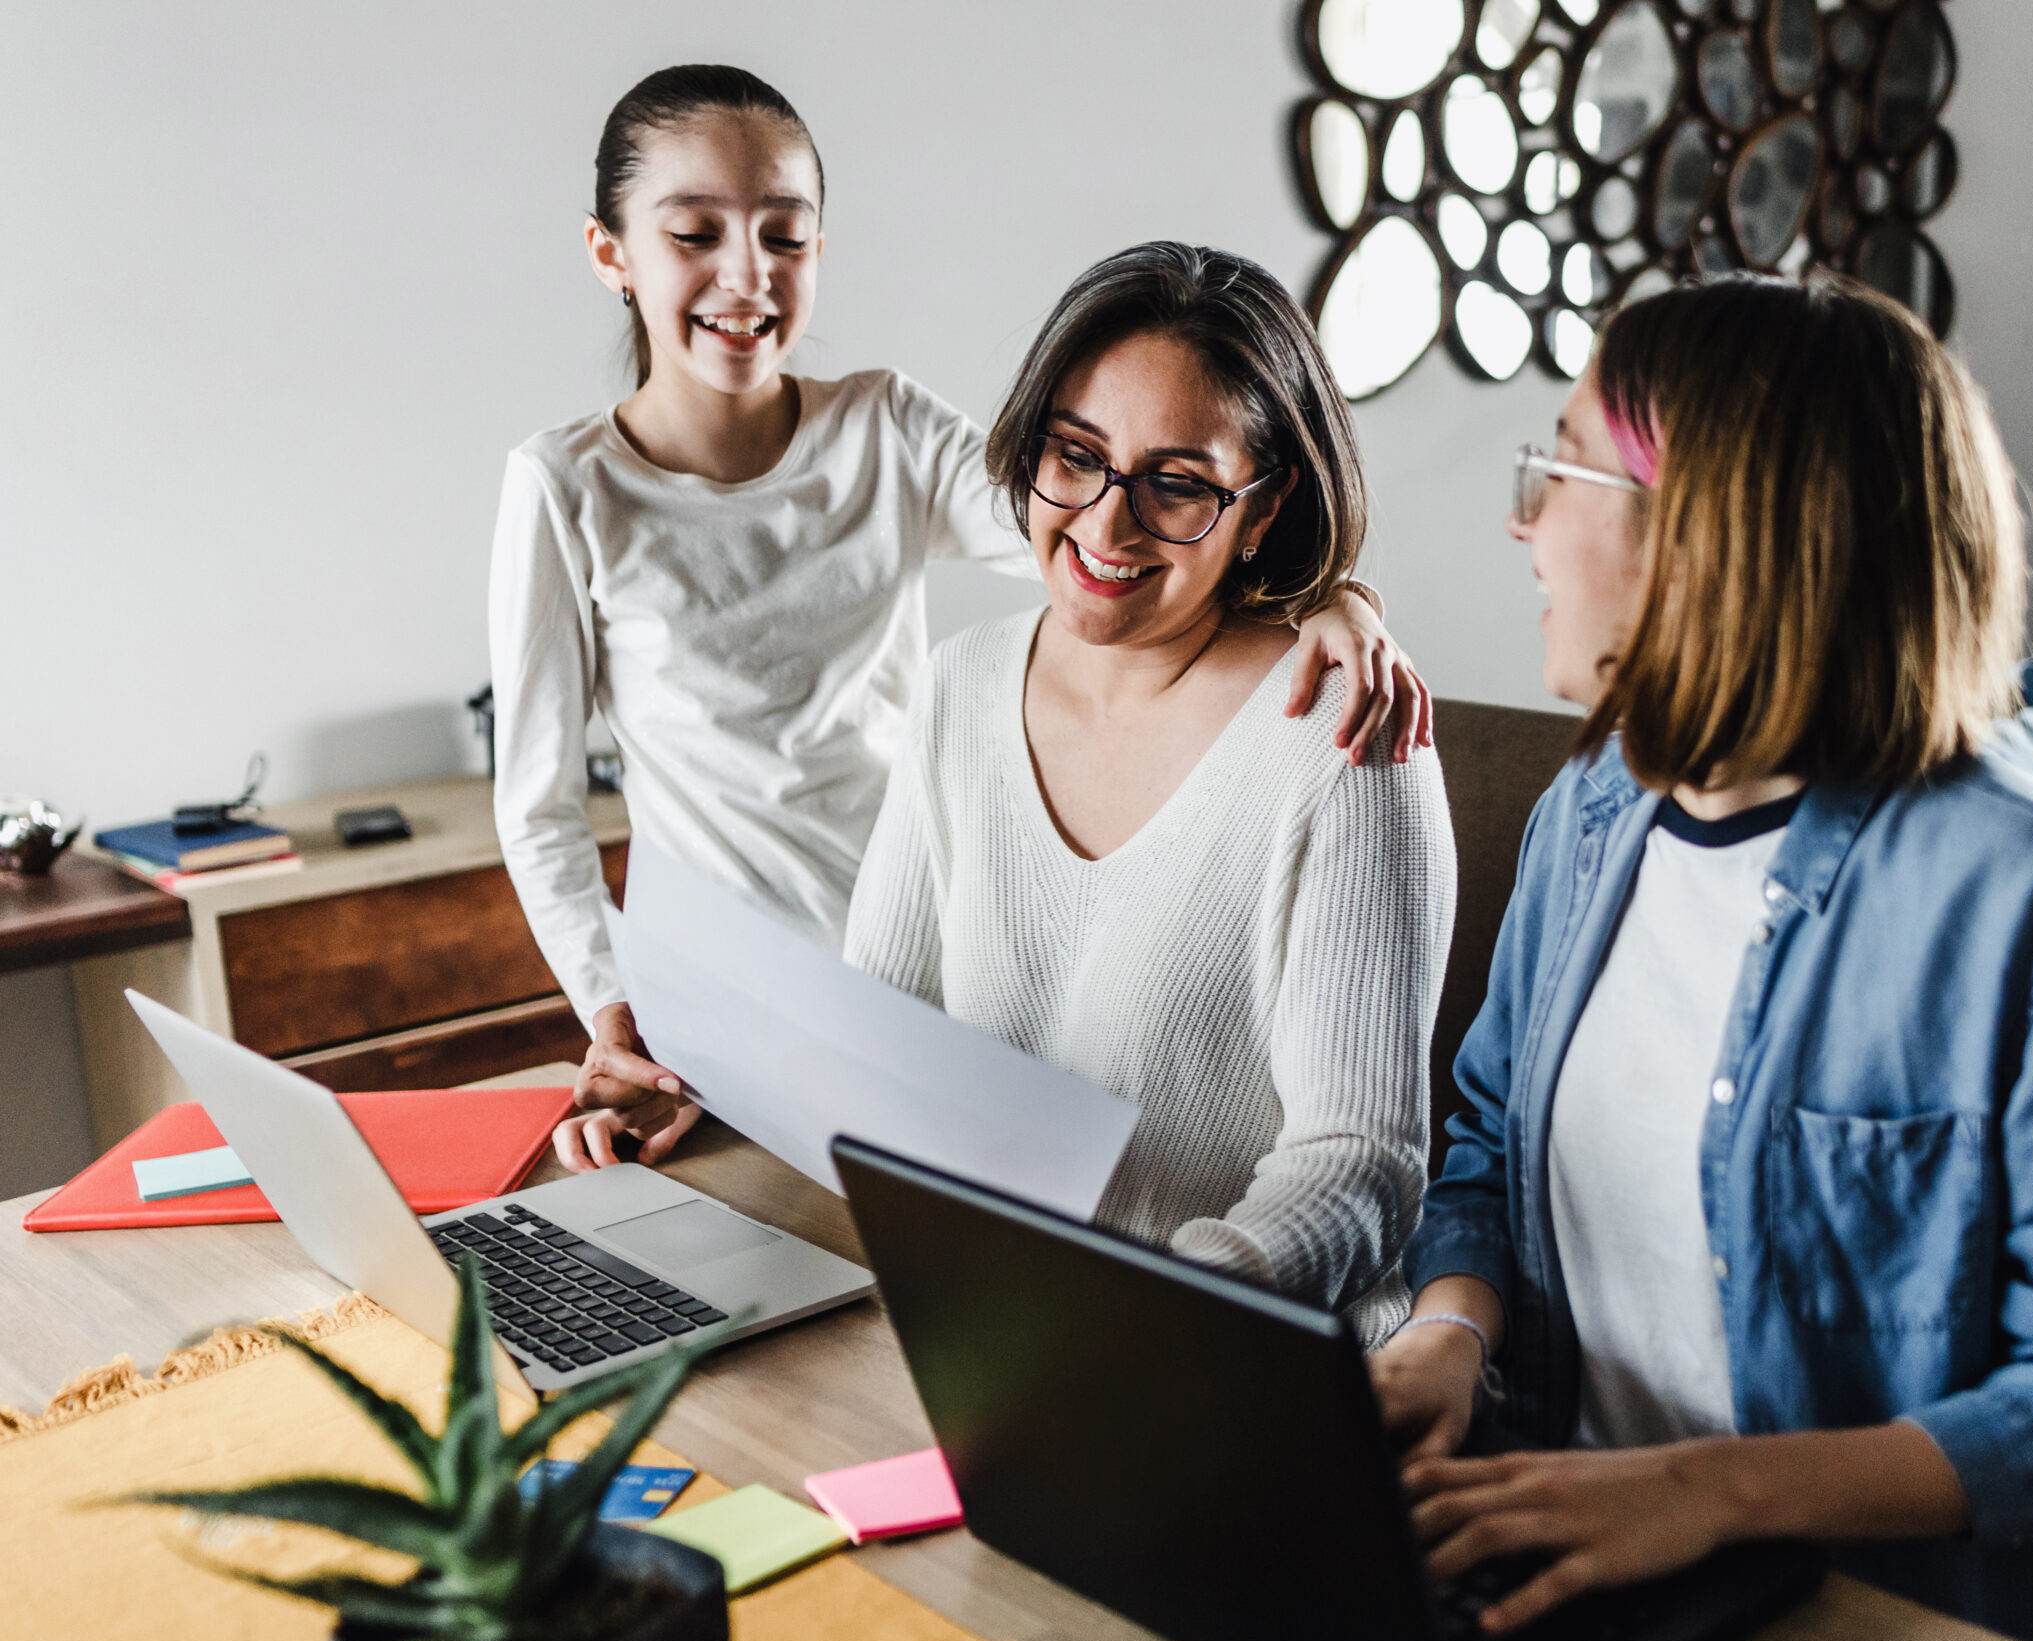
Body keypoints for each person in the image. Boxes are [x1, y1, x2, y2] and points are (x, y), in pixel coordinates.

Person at [1368, 275, 2033, 1641]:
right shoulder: (1590, 814)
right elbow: (1481, 1145)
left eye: (1558, 467)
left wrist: (1707, 1488)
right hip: (1601, 1586)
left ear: (1709, 536)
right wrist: (1447, 1330)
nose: (1524, 519)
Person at [488, 67, 1429, 1174]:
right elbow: (539, 809)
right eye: (694, 232)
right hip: (721, 1016)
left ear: (820, 252)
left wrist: (1337, 592)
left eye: (785, 237)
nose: (747, 275)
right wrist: (614, 1007)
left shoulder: (880, 428)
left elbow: (1098, 533)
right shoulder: (564, 487)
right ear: (612, 255)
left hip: (910, 997)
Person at [842, 242, 1457, 1344]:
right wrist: (690, 1083)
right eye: (1075, 456)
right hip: (990, 1327)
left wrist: (1151, 1310)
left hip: (1227, 1360)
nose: (1106, 527)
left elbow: (1362, 1167)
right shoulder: (961, 687)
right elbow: (871, 1041)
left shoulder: (1346, 734)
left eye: (1177, 485)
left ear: (1263, 510)